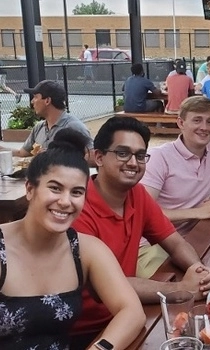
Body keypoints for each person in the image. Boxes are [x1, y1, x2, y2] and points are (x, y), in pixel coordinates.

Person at [70, 116, 210, 344]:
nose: (133, 162)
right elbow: (108, 284)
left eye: (140, 155)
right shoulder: (78, 208)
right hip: (86, 332)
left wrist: (198, 271)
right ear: (98, 157)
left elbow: (175, 243)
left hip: (130, 316)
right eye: (122, 153)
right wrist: (181, 289)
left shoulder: (137, 195)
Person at [0, 129, 145, 349]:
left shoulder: (86, 249)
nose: (66, 201)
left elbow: (132, 312)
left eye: (77, 192)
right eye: (55, 188)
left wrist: (99, 348)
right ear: (30, 189)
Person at [139, 96, 210, 276]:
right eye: (197, 120)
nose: (204, 127)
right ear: (181, 123)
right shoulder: (159, 157)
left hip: (197, 235)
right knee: (185, 286)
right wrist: (197, 212)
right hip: (154, 244)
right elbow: (144, 214)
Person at [0, 80, 95, 164]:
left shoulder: (73, 127)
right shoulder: (39, 127)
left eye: (35, 97)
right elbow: (22, 153)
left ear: (47, 101)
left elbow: (93, 158)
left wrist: (55, 157)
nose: (32, 101)